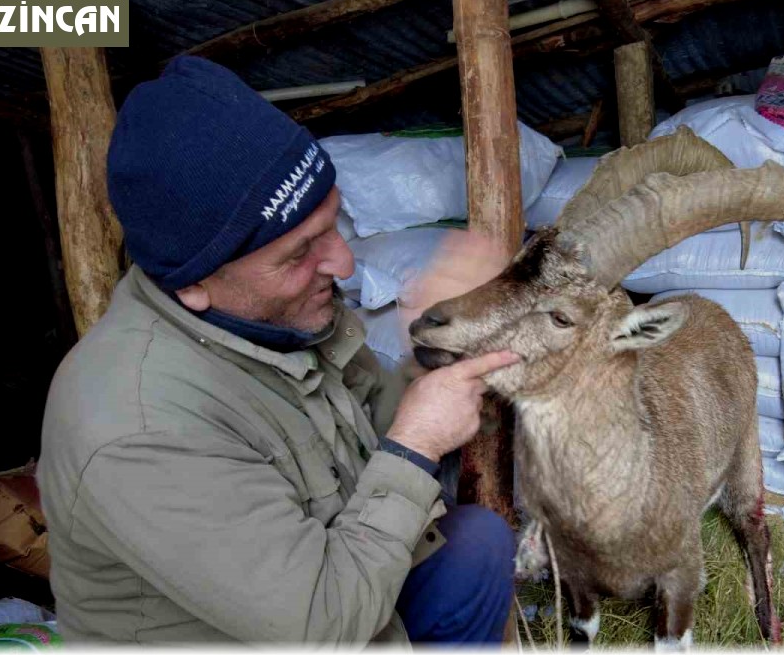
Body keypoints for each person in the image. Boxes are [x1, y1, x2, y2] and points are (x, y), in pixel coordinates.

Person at [36, 55, 520, 645]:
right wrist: (416, 444)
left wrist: (427, 360)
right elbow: (319, 627)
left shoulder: (275, 315)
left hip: (339, 588)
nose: (343, 263)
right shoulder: (135, 429)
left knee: (476, 546)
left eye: (333, 224)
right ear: (194, 284)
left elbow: (371, 434)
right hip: (301, 628)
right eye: (297, 253)